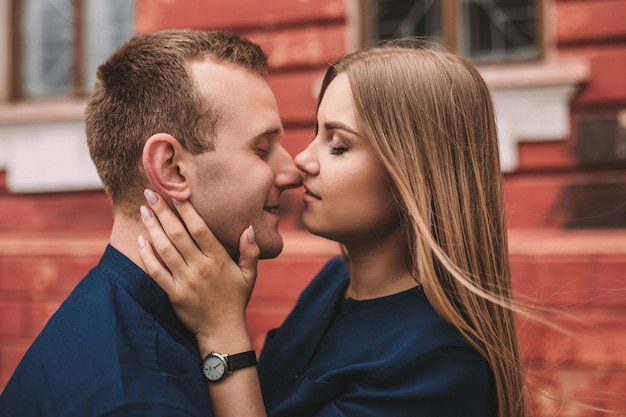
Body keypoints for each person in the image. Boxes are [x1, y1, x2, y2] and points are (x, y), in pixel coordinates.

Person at [138, 37, 528, 417]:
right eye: (315, 133)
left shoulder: (437, 361)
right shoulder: (333, 282)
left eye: (338, 145)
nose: (301, 161)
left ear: (415, 173)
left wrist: (221, 333)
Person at [0, 29, 302, 416]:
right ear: (171, 168)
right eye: (262, 149)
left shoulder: (115, 317)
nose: (292, 171)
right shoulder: (138, 399)